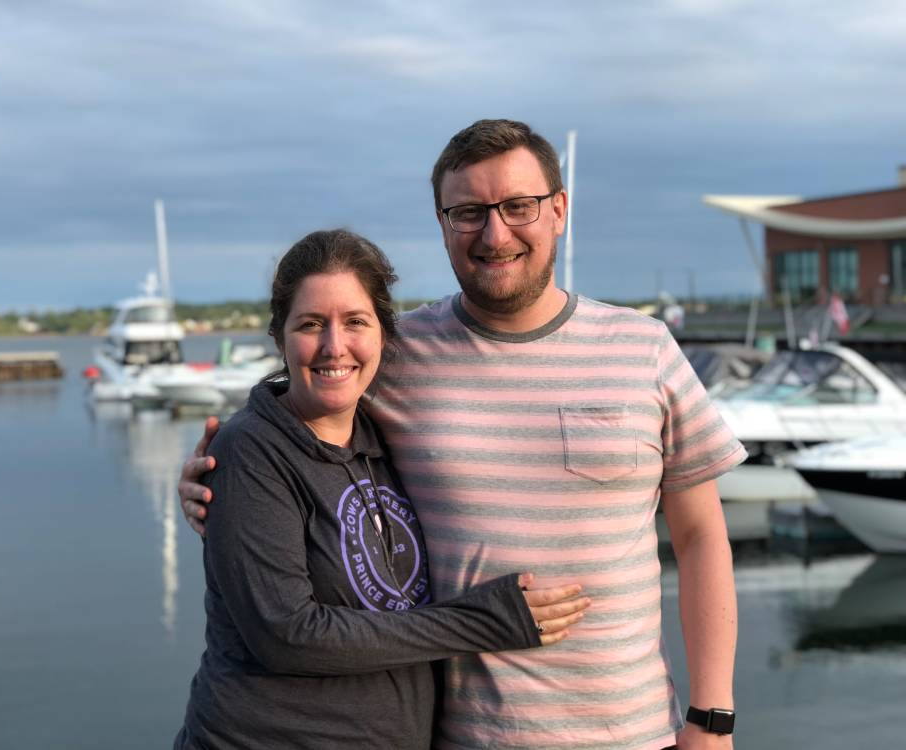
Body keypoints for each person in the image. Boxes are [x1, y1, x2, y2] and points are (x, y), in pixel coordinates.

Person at [180, 120, 746, 750]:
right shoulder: (399, 355)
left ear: (559, 210)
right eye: (469, 212)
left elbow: (700, 538)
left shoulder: (644, 350)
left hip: (635, 733)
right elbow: (303, 409)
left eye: (518, 206)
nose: (495, 232)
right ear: (443, 223)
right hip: (463, 737)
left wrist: (712, 714)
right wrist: (216, 482)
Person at [174, 228, 592, 750]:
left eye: (355, 322)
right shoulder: (252, 451)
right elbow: (288, 636)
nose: (334, 346)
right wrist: (483, 623)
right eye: (310, 324)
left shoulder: (385, 439)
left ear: (383, 335)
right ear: (280, 336)